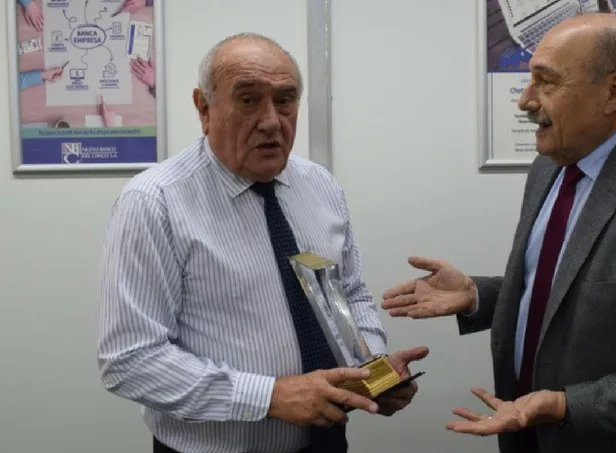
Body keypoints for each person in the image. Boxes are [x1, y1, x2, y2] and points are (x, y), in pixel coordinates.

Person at [382, 13, 616, 453]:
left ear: (614, 92)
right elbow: (571, 291)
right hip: (532, 437)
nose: (525, 100)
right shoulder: (549, 167)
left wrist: (566, 405)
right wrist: (478, 295)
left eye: (546, 81)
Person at [96, 32, 428, 453]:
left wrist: (373, 372)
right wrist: (269, 397)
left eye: (285, 100)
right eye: (249, 100)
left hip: (327, 443)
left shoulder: (319, 186)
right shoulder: (154, 202)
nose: (271, 120)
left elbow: (349, 294)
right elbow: (129, 359)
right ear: (204, 108)